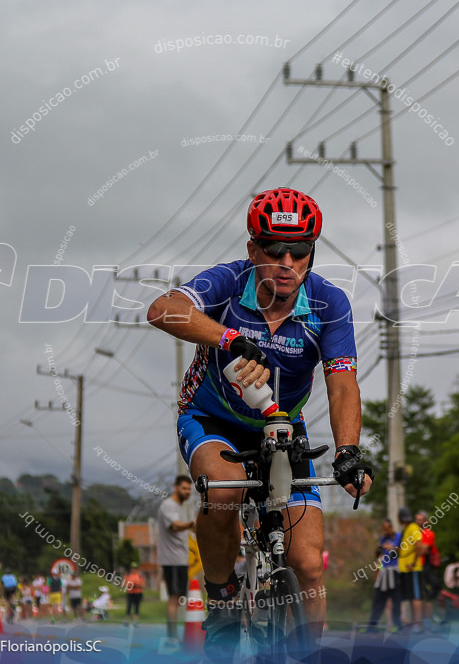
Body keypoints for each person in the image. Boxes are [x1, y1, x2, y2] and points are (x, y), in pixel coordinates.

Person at [147, 188, 373, 655]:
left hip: (283, 428)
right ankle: (223, 597)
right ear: (253, 250)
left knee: (308, 566)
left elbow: (342, 383)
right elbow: (161, 310)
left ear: (313, 252)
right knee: (226, 490)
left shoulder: (331, 303)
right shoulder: (228, 282)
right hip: (212, 418)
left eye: (300, 251)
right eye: (274, 250)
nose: (286, 261)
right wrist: (228, 337)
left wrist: (349, 451)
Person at [156, 475, 195, 642]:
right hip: (171, 560)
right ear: (175, 488)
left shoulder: (180, 507)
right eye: (184, 488)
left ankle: (173, 634)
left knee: (178, 597)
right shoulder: (169, 506)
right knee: (174, 597)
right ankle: (171, 636)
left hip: (180, 559)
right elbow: (175, 525)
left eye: (189, 489)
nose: (187, 492)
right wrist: (191, 524)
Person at [365, 519, 401, 631]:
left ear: (391, 527)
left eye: (386, 529)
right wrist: (379, 547)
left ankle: (397, 625)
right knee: (378, 600)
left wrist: (391, 548)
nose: (385, 531)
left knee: (396, 600)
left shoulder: (398, 537)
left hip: (395, 571)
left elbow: (402, 551)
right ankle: (372, 626)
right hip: (384, 572)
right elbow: (377, 555)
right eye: (383, 529)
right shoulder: (383, 538)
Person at [396, 507, 426, 631]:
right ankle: (414, 623)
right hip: (405, 569)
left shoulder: (413, 527)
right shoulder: (407, 529)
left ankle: (418, 624)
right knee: (412, 596)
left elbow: (420, 545)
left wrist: (413, 563)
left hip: (412, 569)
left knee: (416, 597)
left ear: (400, 518)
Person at [415, 510, 441, 631]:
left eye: (420, 520)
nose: (418, 522)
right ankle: (422, 623)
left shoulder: (428, 534)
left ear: (426, 521)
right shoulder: (414, 534)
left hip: (426, 566)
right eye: (417, 520)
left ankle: (428, 621)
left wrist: (416, 550)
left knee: (432, 591)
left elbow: (424, 550)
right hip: (417, 567)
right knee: (420, 595)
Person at [122, 562, 146, 627]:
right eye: (133, 568)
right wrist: (130, 585)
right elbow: (124, 584)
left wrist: (136, 585)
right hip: (130, 593)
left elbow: (143, 585)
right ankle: (126, 621)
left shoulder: (140, 576)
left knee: (137, 608)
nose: (134, 569)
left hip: (138, 593)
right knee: (128, 607)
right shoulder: (128, 575)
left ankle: (135, 621)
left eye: (135, 568)